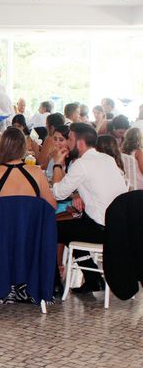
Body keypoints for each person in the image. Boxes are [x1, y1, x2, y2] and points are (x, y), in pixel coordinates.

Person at [0, 127, 57, 301]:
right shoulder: (36, 173)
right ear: (23, 148)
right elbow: (51, 206)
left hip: (0, 239)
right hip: (29, 238)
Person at [52, 123, 127, 293]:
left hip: (101, 229)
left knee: (51, 228)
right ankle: (92, 279)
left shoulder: (81, 164)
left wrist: (58, 164)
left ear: (79, 143)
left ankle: (54, 283)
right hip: (119, 227)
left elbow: (58, 193)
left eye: (69, 139)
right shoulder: (107, 159)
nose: (67, 144)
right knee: (77, 224)